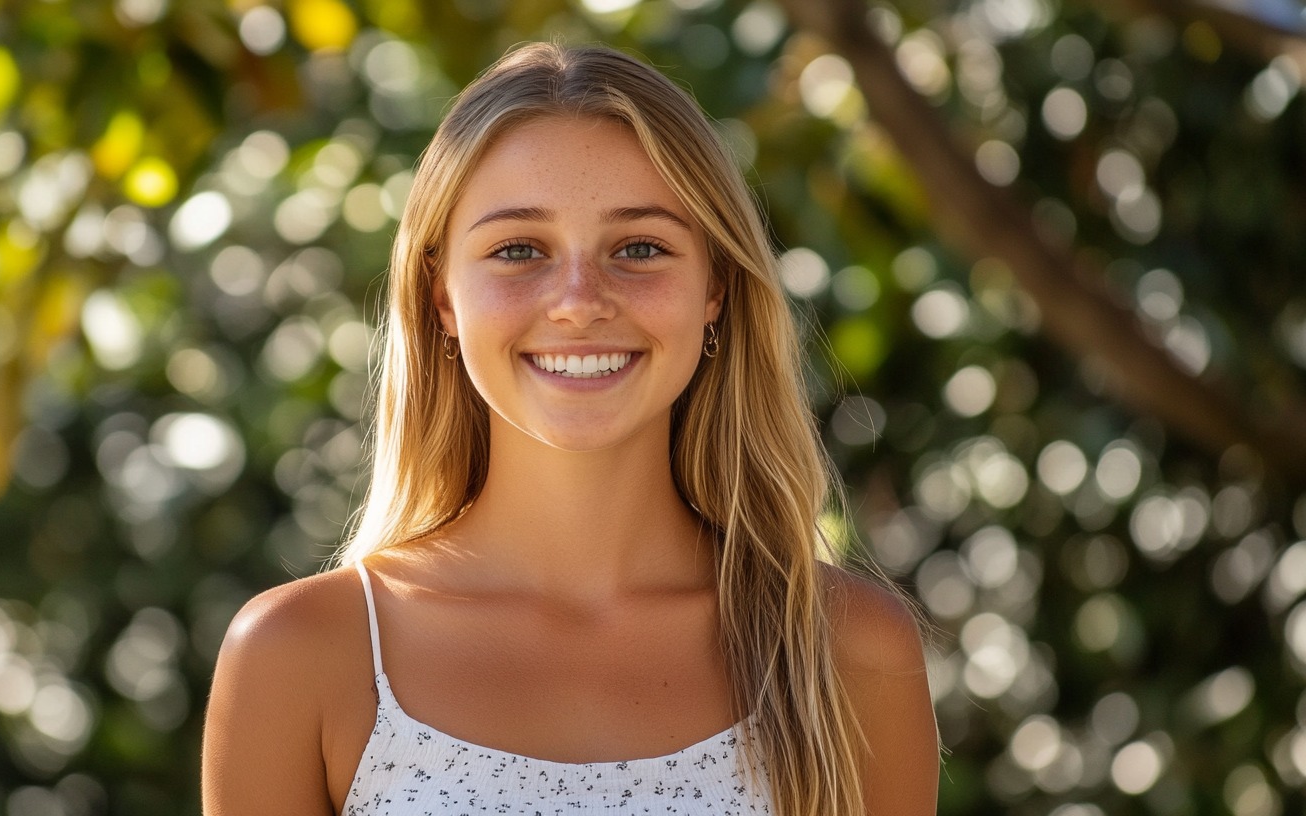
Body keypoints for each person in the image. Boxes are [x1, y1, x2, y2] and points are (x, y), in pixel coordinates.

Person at [202, 42, 938, 816]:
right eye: (519, 250)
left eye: (640, 248)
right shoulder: (302, 656)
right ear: (443, 298)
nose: (579, 301)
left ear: (714, 288)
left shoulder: (846, 653)